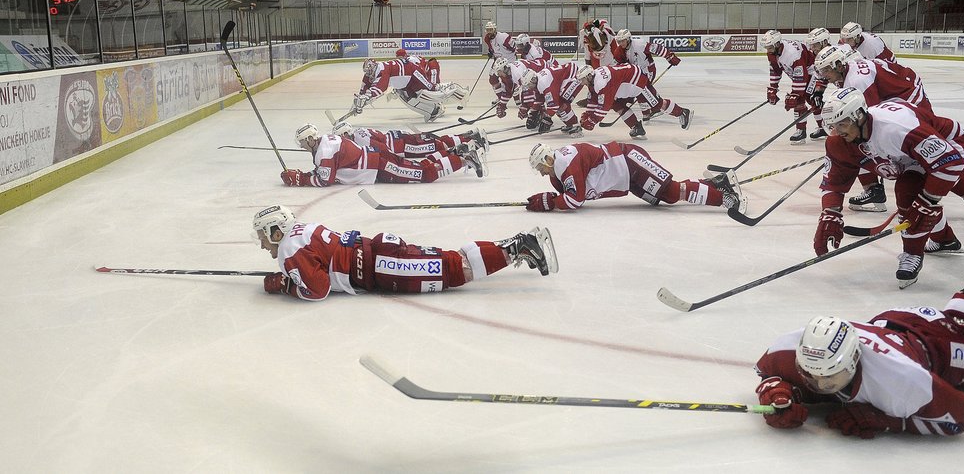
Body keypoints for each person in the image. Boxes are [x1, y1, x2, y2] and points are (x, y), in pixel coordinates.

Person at [754, 245, 964, 438]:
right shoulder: (789, 349)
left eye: (830, 379)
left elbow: (961, 416)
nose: (818, 387)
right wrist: (776, 391)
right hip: (897, 322)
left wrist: (888, 421)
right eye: (809, 375)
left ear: (855, 361)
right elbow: (771, 375)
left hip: (941, 348)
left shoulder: (900, 379)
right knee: (956, 323)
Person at [816, 88, 964, 287]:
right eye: (833, 125)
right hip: (909, 157)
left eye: (842, 124)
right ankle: (945, 240)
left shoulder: (895, 129)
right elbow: (834, 181)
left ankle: (912, 253)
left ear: (859, 116)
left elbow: (950, 161)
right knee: (918, 199)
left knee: (910, 196)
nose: (838, 131)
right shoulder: (839, 141)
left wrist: (927, 201)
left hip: (953, 146)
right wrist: (830, 213)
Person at [816, 45, 964, 222]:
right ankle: (875, 190)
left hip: (907, 105)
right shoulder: (849, 71)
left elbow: (868, 119)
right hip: (900, 100)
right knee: (907, 163)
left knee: (929, 162)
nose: (824, 76)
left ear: (838, 64)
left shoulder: (857, 82)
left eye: (826, 70)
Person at [253, 205, 558, 300]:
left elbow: (317, 290)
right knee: (451, 260)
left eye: (263, 237)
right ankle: (515, 247)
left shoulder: (288, 250)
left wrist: (284, 284)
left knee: (454, 269)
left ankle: (518, 246)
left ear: (275, 231)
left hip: (383, 268)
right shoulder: (300, 229)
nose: (263, 244)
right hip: (379, 251)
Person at [525, 141, 743, 212]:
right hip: (626, 178)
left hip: (630, 162)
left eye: (540, 167)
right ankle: (716, 183)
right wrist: (552, 198)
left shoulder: (566, 163)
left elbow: (575, 199)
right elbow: (570, 193)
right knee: (665, 198)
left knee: (673, 192)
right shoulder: (559, 169)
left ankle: (725, 198)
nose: (541, 172)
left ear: (548, 159)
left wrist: (550, 203)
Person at [279, 123, 487, 187]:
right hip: (378, 159)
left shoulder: (324, 150)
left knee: (423, 174)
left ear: (308, 139)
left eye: (302, 143)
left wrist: (300, 178)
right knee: (419, 166)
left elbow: (325, 179)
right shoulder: (326, 141)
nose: (301, 147)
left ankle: (463, 158)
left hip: (378, 164)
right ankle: (456, 152)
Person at [576, 63, 692, 140]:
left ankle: (682, 112)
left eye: (582, 79)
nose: (581, 82)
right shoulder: (593, 79)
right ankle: (637, 127)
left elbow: (603, 107)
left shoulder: (601, 83)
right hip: (625, 82)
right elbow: (593, 99)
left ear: (589, 76)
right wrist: (587, 114)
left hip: (637, 81)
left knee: (657, 105)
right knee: (616, 105)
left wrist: (592, 121)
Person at [355, 56, 467, 122]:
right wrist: (359, 100)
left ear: (374, 66)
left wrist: (368, 96)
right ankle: (434, 111)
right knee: (410, 98)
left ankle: (456, 90)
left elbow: (381, 86)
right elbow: (364, 87)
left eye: (370, 71)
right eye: (367, 72)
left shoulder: (382, 69)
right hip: (405, 83)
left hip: (414, 73)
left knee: (431, 90)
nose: (369, 74)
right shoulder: (372, 72)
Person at [331, 120, 488, 162]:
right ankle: (467, 136)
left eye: (341, 136)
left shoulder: (359, 138)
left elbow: (381, 149)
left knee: (434, 146)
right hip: (398, 138)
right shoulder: (358, 132)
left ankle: (470, 139)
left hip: (402, 146)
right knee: (432, 141)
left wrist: (395, 159)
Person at [761, 30, 814, 144]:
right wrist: (773, 88)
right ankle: (807, 129)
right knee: (805, 99)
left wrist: (796, 94)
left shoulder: (792, 54)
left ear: (777, 44)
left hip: (812, 71)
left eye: (770, 47)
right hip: (799, 73)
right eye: (767, 47)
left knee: (806, 99)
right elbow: (775, 70)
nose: (768, 50)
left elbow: (801, 75)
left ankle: (805, 130)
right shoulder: (772, 53)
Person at [519, 63, 585, 137]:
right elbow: (539, 99)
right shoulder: (537, 81)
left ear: (533, 80)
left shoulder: (544, 83)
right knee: (558, 106)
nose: (528, 87)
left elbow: (554, 105)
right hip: (566, 77)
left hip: (574, 77)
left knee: (561, 104)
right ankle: (570, 124)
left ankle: (575, 126)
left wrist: (547, 118)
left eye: (528, 84)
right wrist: (533, 113)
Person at [612, 28, 681, 84]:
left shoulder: (639, 44)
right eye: (619, 41)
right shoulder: (618, 51)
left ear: (628, 39)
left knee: (643, 93)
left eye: (623, 41)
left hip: (648, 70)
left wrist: (670, 57)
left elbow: (656, 48)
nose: (621, 43)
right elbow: (618, 66)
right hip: (635, 73)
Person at [489, 57, 549, 121]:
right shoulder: (508, 72)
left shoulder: (518, 73)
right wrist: (502, 105)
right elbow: (509, 91)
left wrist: (524, 109)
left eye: (499, 71)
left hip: (544, 71)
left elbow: (529, 94)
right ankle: (541, 113)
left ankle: (544, 115)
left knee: (543, 96)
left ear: (504, 68)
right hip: (537, 72)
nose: (498, 74)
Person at [802, 27, 833, 140]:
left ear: (824, 42)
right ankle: (824, 128)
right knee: (814, 98)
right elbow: (821, 77)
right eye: (811, 45)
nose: (812, 48)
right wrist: (818, 93)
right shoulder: (818, 58)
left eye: (815, 45)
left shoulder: (836, 53)